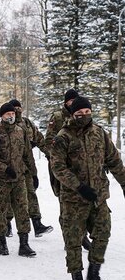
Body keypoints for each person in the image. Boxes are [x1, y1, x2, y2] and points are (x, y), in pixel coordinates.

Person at [50, 96, 125, 280]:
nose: (84, 116)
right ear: (72, 114)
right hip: (74, 200)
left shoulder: (99, 133)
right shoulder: (63, 137)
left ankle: (93, 274)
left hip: (98, 196)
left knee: (103, 233)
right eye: (80, 113)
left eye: (87, 112)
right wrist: (79, 187)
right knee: (73, 240)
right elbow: (57, 167)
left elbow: (114, 160)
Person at [0, 103, 36, 257]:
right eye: (7, 114)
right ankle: (2, 242)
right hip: (1, 181)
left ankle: (24, 244)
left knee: (22, 210)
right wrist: (4, 168)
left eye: (12, 113)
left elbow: (27, 154)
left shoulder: (21, 131)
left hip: (18, 178)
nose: (10, 116)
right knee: (1, 211)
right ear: (2, 116)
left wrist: (33, 173)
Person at [45, 89, 91, 251]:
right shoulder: (57, 117)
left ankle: (82, 235)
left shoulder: (83, 116)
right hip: (61, 168)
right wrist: (56, 157)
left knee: (83, 203)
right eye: (70, 101)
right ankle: (70, 237)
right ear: (66, 102)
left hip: (81, 169)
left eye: (75, 100)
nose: (73, 103)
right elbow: (48, 140)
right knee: (66, 204)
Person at [8, 99, 53, 237]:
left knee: (31, 194)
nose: (17, 110)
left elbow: (40, 140)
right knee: (10, 197)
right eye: (14, 108)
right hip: (10, 169)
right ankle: (7, 223)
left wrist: (51, 155)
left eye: (19, 107)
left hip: (27, 167)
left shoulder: (28, 124)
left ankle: (37, 224)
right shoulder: (7, 125)